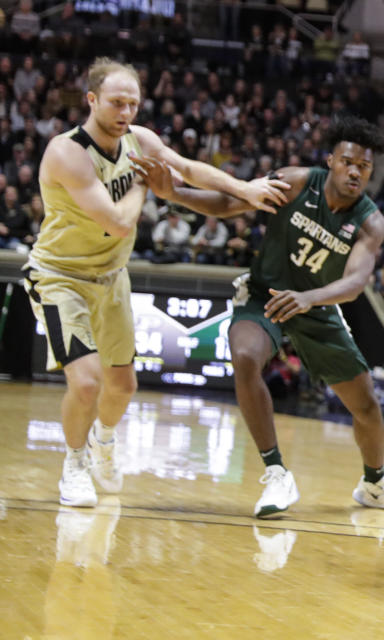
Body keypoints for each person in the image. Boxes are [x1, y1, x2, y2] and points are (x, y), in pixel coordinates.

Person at [24, 58, 287, 508]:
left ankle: (103, 441)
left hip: (111, 278)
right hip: (60, 277)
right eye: (116, 102)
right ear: (91, 100)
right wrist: (148, 187)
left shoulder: (139, 140)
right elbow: (119, 221)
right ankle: (74, 464)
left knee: (123, 386)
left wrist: (245, 189)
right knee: (86, 383)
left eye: (133, 103)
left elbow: (188, 168)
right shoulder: (66, 152)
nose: (126, 112)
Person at [134, 115, 384, 518]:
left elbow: (356, 282)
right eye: (347, 161)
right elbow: (230, 204)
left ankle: (374, 484)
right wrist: (177, 194)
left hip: (315, 305)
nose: (355, 171)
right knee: (246, 358)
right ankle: (276, 472)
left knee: (367, 405)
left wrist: (309, 297)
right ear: (331, 161)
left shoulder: (370, 221)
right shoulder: (297, 181)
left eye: (364, 166)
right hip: (264, 294)